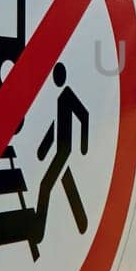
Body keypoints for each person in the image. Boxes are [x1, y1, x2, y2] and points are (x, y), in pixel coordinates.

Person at [34, 62, 89, 247]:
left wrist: (83, 145)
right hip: (61, 150)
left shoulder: (68, 96)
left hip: (65, 150)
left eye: (56, 76)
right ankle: (82, 223)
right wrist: (43, 149)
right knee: (68, 183)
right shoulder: (58, 98)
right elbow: (54, 128)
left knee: (45, 185)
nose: (54, 80)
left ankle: (38, 233)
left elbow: (83, 115)